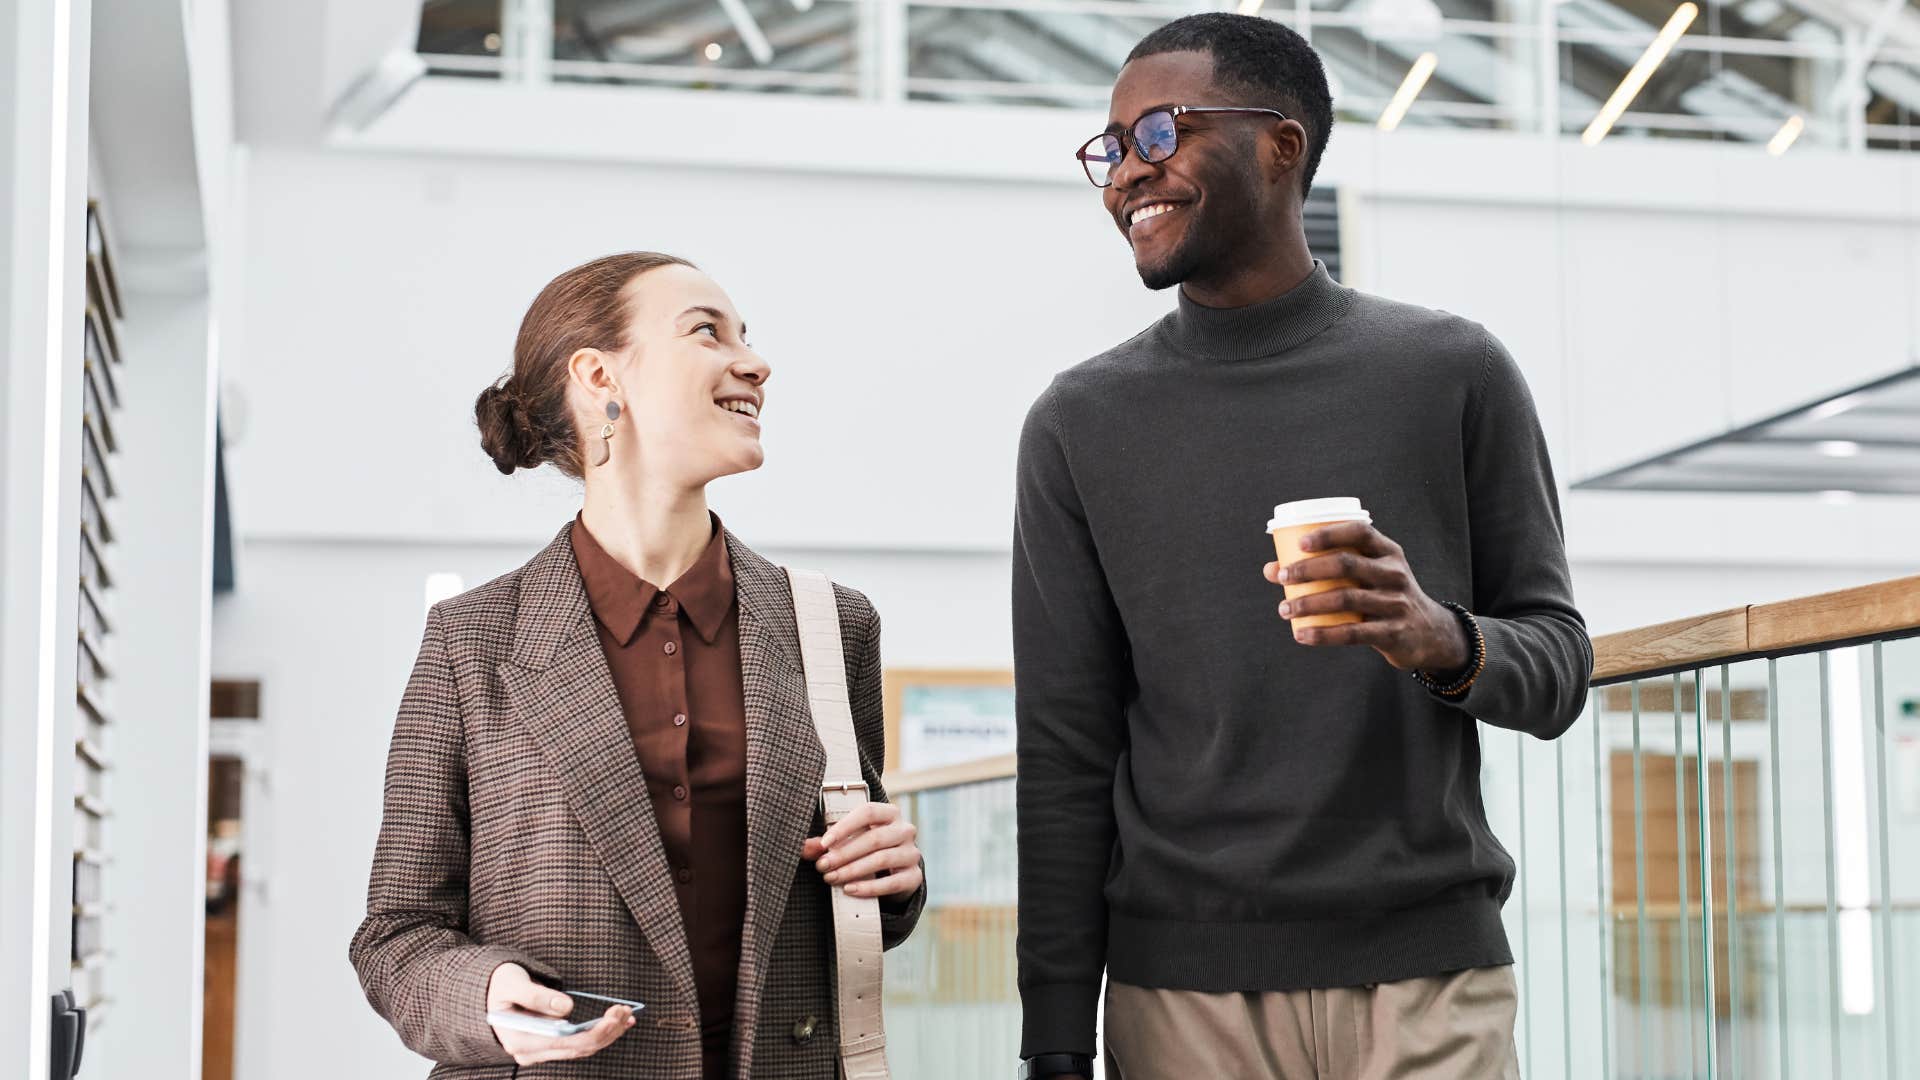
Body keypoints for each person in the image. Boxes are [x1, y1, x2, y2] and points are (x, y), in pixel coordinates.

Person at [1011, 15, 1591, 1080]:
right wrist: (1053, 1033)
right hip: (1179, 996)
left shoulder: (1451, 371)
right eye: (1110, 148)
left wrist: (1441, 640)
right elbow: (1064, 749)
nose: (1125, 176)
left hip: (1430, 980)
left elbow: (1558, 665)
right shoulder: (1077, 423)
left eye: (1159, 134)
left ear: (1282, 145)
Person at [349, 252, 925, 1079]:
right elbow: (397, 935)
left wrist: (892, 879)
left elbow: (850, 907)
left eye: (748, 338)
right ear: (598, 376)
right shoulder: (469, 643)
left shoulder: (833, 626)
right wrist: (486, 993)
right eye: (707, 332)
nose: (755, 363)